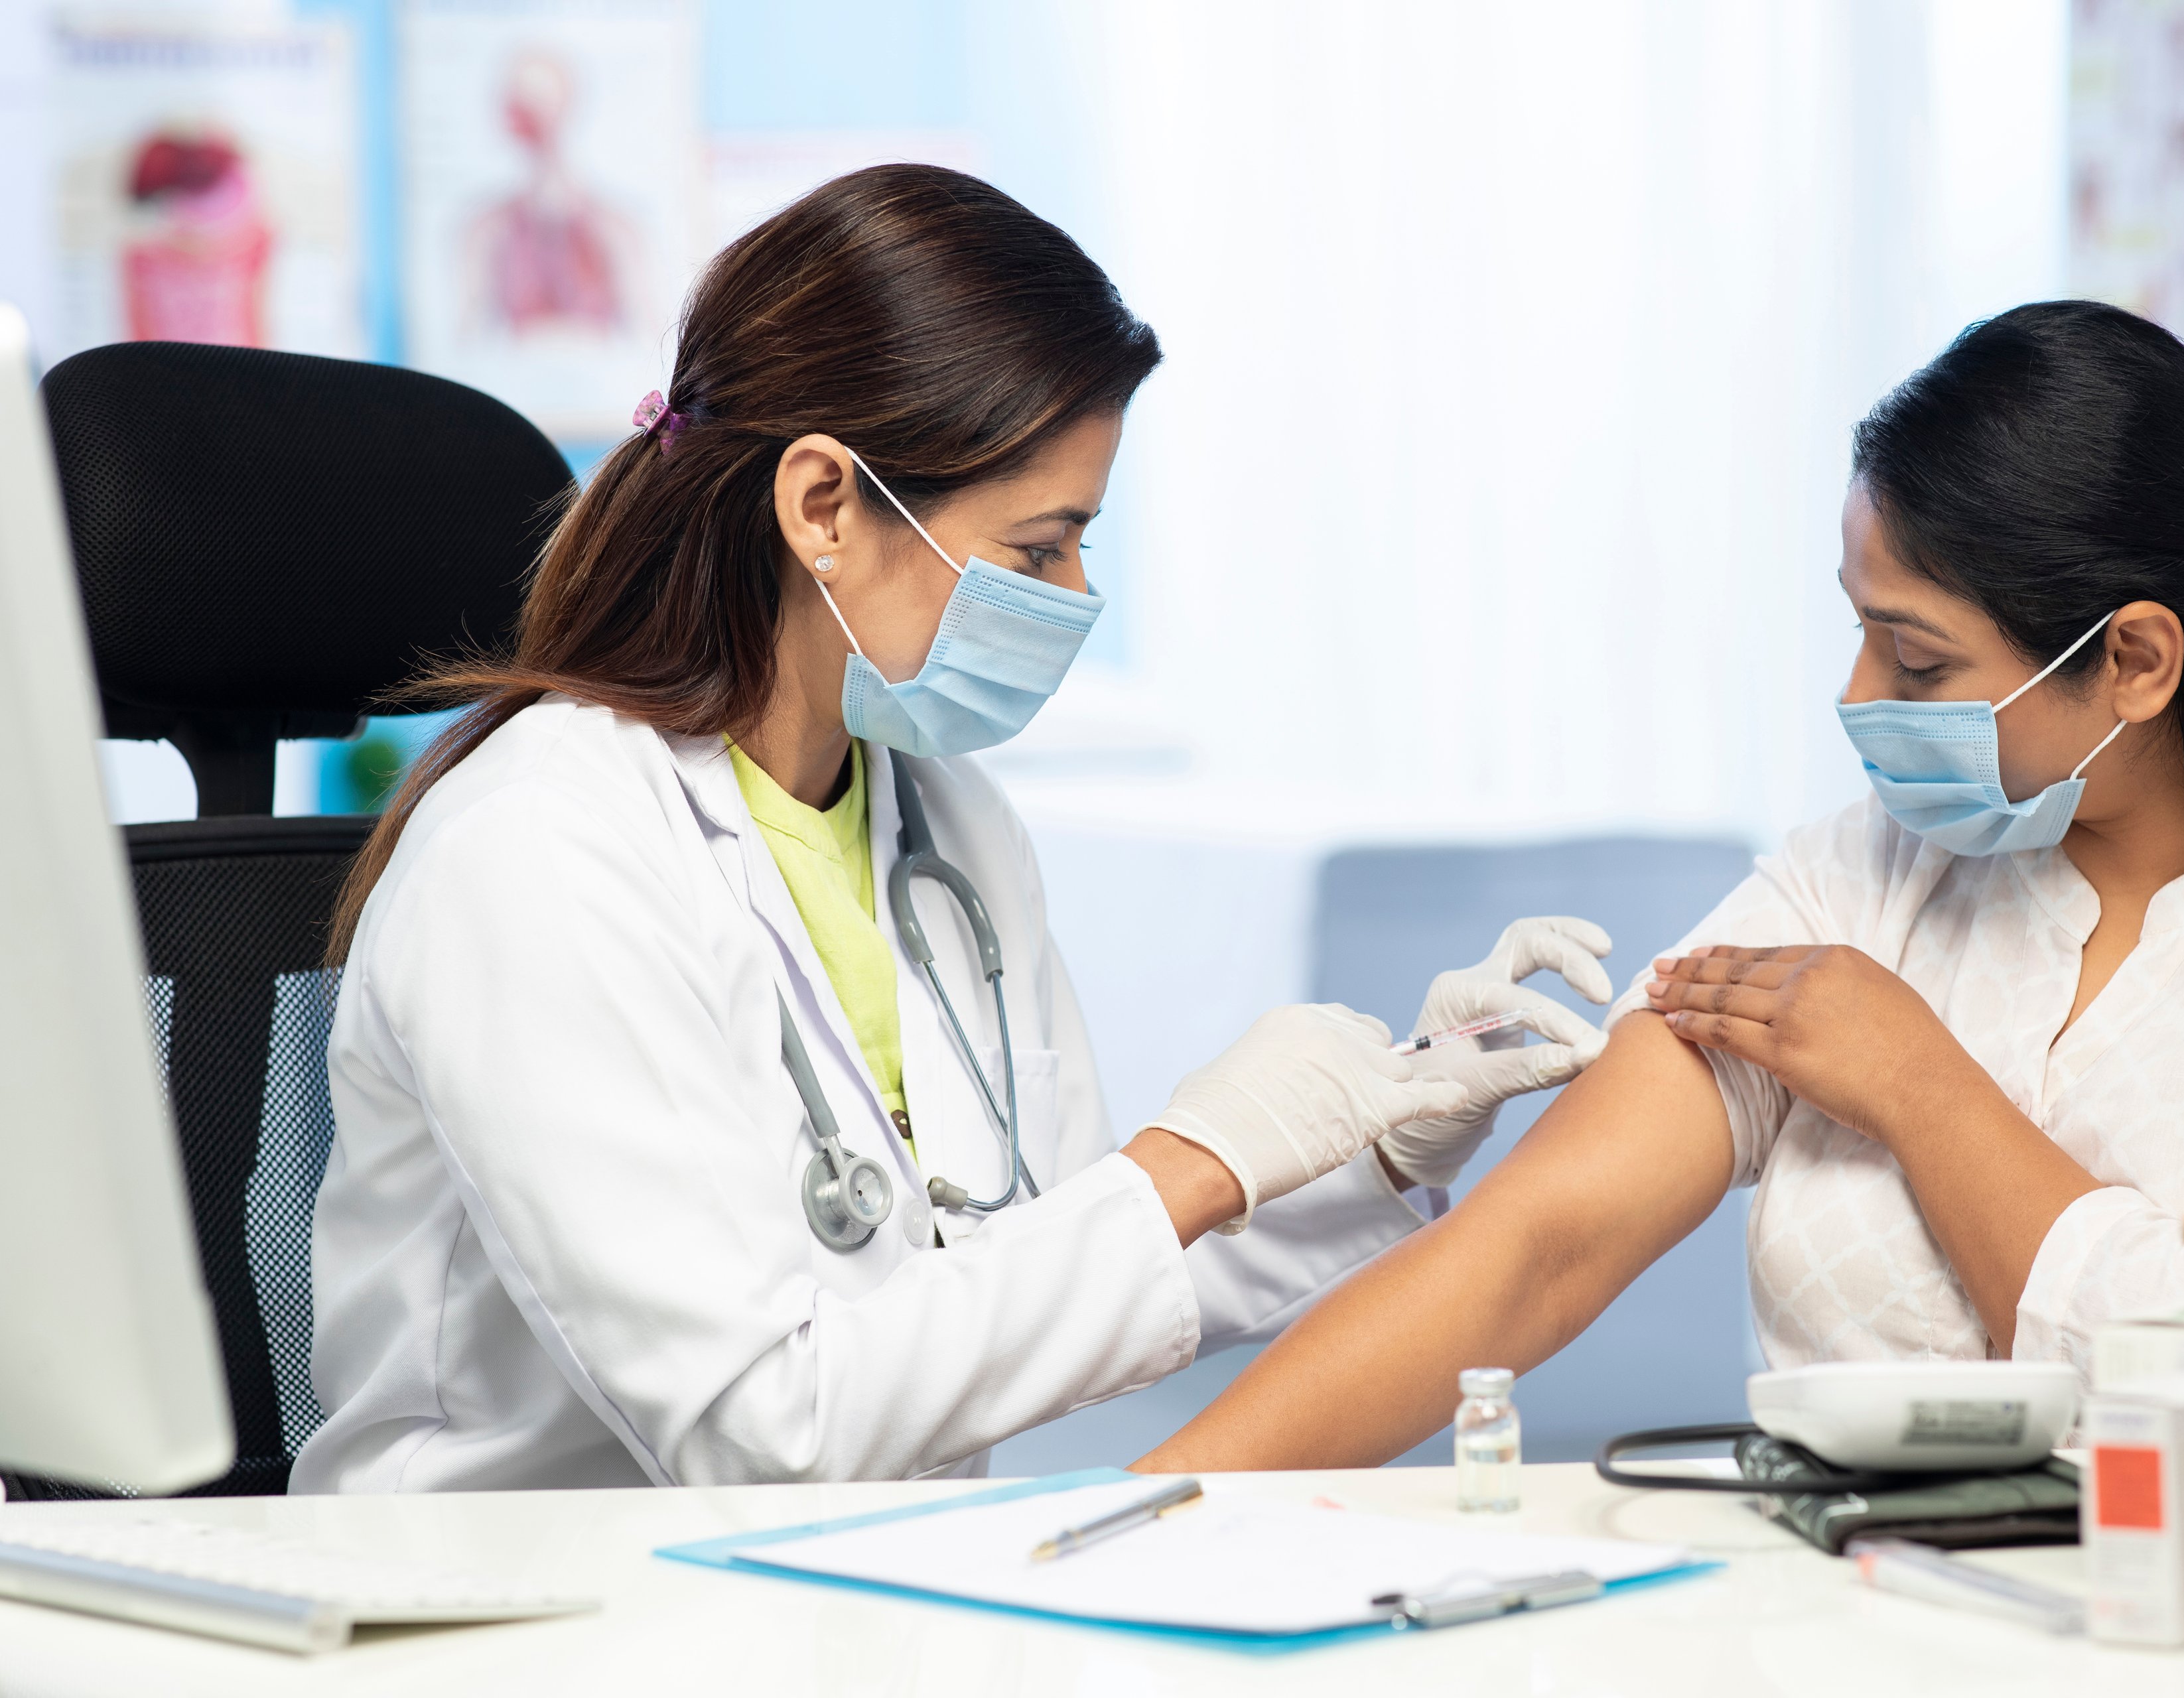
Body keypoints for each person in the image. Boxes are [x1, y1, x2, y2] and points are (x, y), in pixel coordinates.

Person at [292, 165, 1615, 1493]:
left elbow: (1048, 1274)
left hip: (850, 1570)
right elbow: (759, 1423)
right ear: (823, 506)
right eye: (1039, 548)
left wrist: (1369, 1144)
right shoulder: (538, 850)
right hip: (527, 1584)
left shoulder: (949, 826)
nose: (1076, 594)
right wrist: (1194, 1159)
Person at [1132, 300, 2184, 1472]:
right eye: (1862, 632)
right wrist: (1142, 1520)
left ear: (2134, 660)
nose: (1859, 695)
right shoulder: (1861, 875)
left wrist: (1918, 1086)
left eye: (1917, 659)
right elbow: (1540, 1244)